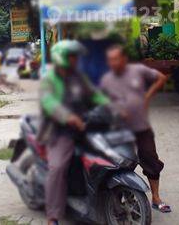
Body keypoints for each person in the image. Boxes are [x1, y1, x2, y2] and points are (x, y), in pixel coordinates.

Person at [39, 40, 110, 225]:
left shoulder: (78, 76)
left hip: (85, 126)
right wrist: (68, 117)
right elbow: (48, 102)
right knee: (57, 168)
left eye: (75, 57)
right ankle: (52, 216)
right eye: (72, 56)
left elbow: (94, 94)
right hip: (60, 130)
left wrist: (111, 105)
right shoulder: (49, 79)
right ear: (61, 57)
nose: (75, 60)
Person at [100, 44, 171, 213]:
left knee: (150, 158)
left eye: (115, 59)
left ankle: (156, 198)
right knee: (118, 161)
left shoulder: (138, 70)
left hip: (141, 126)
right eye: (109, 60)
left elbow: (161, 78)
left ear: (124, 59)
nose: (112, 63)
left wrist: (146, 97)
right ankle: (117, 196)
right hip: (118, 129)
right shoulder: (106, 79)